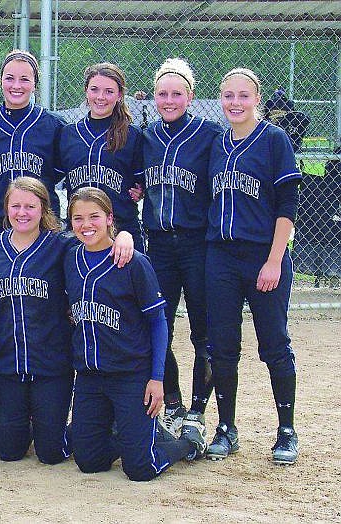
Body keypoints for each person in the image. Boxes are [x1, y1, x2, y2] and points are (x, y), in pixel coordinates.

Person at [65, 187, 206, 481]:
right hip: (91, 377)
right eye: (78, 218)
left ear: (109, 218)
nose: (86, 224)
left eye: (94, 216)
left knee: (140, 469)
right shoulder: (70, 258)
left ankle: (188, 442)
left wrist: (157, 379)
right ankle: (134, 432)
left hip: (131, 375)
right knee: (89, 461)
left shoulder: (133, 262)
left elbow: (158, 323)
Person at [204, 68, 301, 465]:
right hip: (221, 256)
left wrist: (275, 260)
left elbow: (288, 205)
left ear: (257, 99)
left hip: (264, 255)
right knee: (222, 345)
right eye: (228, 95)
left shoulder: (274, 139)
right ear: (220, 99)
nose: (236, 103)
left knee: (274, 343)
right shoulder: (217, 142)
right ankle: (226, 428)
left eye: (243, 96)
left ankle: (286, 430)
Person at [140, 58, 222, 438]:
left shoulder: (209, 134)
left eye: (177, 93)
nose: (169, 100)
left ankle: (198, 411)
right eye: (162, 93)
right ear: (154, 96)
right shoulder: (147, 137)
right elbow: (134, 180)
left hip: (197, 244)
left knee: (203, 332)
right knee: (158, 326)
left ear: (190, 96)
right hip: (159, 245)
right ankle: (172, 403)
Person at [0, 176, 73, 464]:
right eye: (15, 206)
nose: (22, 213)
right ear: (6, 208)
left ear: (44, 209)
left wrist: (124, 237)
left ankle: (87, 427)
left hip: (51, 366)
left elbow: (98, 246)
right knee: (8, 451)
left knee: (51, 453)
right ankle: (25, 421)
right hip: (8, 366)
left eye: (30, 206)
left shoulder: (60, 247)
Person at [0, 49, 65, 237]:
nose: (16, 86)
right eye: (10, 78)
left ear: (35, 84)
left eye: (25, 79)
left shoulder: (53, 125)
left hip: (43, 221)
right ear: (1, 81)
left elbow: (61, 170)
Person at [59, 62, 145, 252]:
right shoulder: (68, 134)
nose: (100, 97)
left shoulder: (132, 135)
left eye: (109, 91)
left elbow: (144, 182)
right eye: (94, 89)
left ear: (120, 95)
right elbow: (51, 175)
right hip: (80, 232)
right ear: (86, 91)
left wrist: (141, 190)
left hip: (121, 232)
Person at [264, 88, 310, 153]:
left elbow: (293, 116)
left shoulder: (289, 103)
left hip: (284, 128)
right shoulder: (270, 103)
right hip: (273, 128)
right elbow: (265, 116)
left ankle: (293, 146)